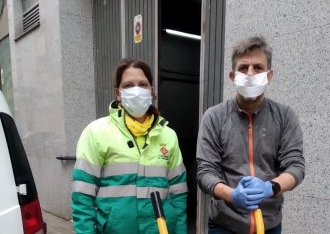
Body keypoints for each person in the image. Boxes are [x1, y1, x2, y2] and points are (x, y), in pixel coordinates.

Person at [196, 36, 305, 234]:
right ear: (232, 76)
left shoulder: (284, 116)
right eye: (243, 68)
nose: (250, 73)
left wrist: (270, 187)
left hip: (269, 225)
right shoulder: (214, 117)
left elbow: (296, 167)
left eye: (258, 68)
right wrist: (232, 195)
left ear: (269, 75)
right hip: (224, 225)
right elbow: (205, 172)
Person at [72, 58, 188, 233]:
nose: (136, 91)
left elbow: (178, 194)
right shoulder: (96, 133)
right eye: (128, 86)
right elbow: (82, 198)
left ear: (152, 91)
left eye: (143, 84)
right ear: (117, 94)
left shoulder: (168, 136)